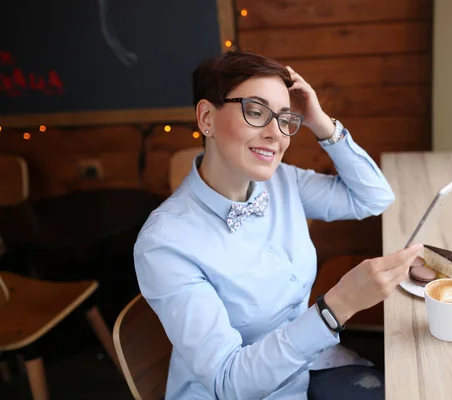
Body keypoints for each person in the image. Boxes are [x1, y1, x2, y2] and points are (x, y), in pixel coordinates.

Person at [133, 50, 423, 400]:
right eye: (256, 112)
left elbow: (373, 197)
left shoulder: (284, 182)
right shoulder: (165, 243)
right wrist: (338, 306)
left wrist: (319, 122)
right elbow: (228, 382)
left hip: (310, 368)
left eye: (285, 119)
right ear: (206, 117)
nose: (277, 134)